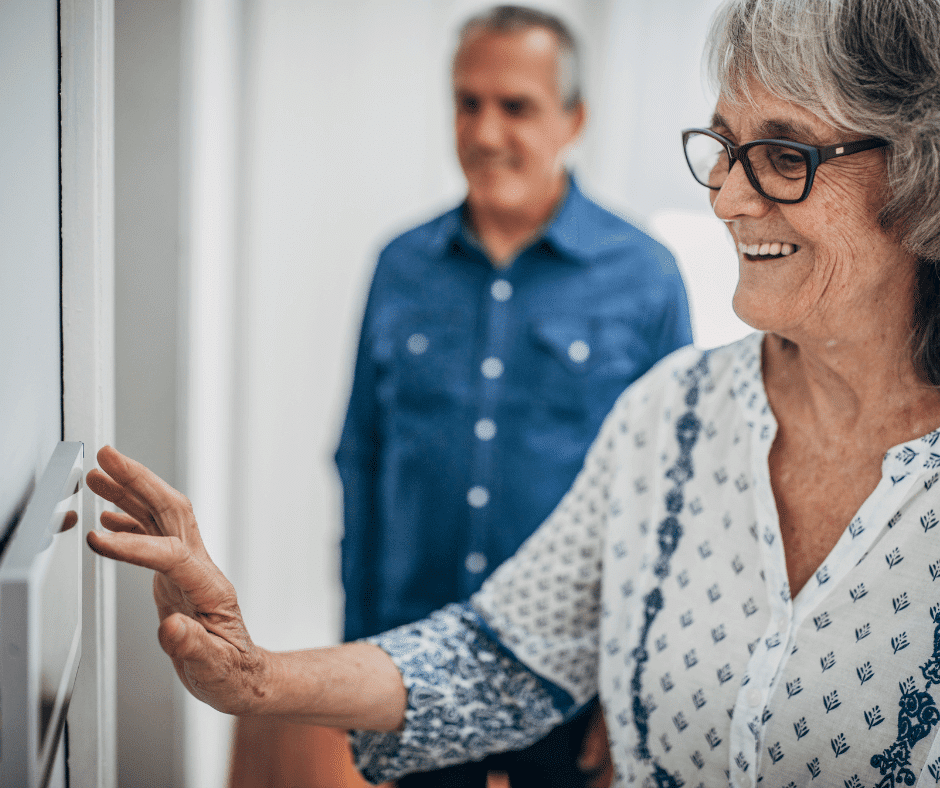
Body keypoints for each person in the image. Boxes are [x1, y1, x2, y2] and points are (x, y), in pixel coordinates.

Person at [86, 0, 940, 785]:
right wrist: (260, 675)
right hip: (420, 636)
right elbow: (497, 647)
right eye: (723, 148)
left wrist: (608, 696)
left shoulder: (641, 274)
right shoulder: (672, 414)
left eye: (786, 156)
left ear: (919, 176)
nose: (725, 198)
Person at [334, 6, 691, 786]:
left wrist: (636, 684)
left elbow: (670, 496)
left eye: (516, 106)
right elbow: (360, 457)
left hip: (572, 674)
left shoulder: (646, 276)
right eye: (468, 103)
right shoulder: (399, 266)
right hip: (415, 659)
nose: (485, 132)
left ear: (574, 119)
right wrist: (358, 647)